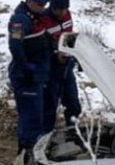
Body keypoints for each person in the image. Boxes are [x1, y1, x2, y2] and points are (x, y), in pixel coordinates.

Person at [8, 0, 51, 152]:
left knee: (37, 115)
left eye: (44, 4)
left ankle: (32, 148)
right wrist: (26, 67)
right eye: (40, 4)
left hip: (37, 76)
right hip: (26, 77)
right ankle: (26, 152)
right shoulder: (21, 19)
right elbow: (15, 45)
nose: (43, 7)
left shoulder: (36, 16)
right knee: (30, 117)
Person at [42, 0, 81, 133]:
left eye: (65, 9)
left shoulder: (67, 15)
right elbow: (41, 46)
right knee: (50, 105)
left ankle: (73, 132)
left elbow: (68, 37)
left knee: (73, 102)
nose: (62, 12)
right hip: (51, 70)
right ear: (52, 7)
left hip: (66, 66)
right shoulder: (43, 19)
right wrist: (55, 55)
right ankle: (45, 135)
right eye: (59, 9)